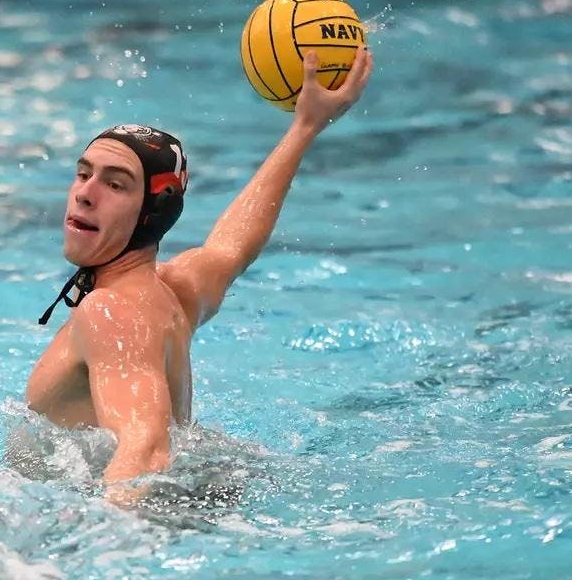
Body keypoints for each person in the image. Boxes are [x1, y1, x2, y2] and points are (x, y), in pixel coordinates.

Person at [26, 48, 373, 499]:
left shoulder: (112, 313)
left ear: (154, 211)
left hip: (115, 515)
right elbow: (231, 247)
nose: (85, 194)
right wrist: (305, 127)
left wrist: (103, 537)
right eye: (83, 173)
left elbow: (146, 450)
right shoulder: (176, 289)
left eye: (115, 184)